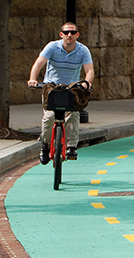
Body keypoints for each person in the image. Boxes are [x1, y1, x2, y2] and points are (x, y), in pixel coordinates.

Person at [28, 22, 94, 162]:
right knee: (50, 116)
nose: (69, 35)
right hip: (51, 86)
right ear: (61, 34)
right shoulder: (52, 46)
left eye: (72, 32)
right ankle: (44, 146)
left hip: (71, 87)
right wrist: (33, 80)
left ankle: (71, 147)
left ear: (77, 34)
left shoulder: (83, 50)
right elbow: (38, 64)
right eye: (66, 32)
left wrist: (86, 83)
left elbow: (89, 71)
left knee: (73, 114)